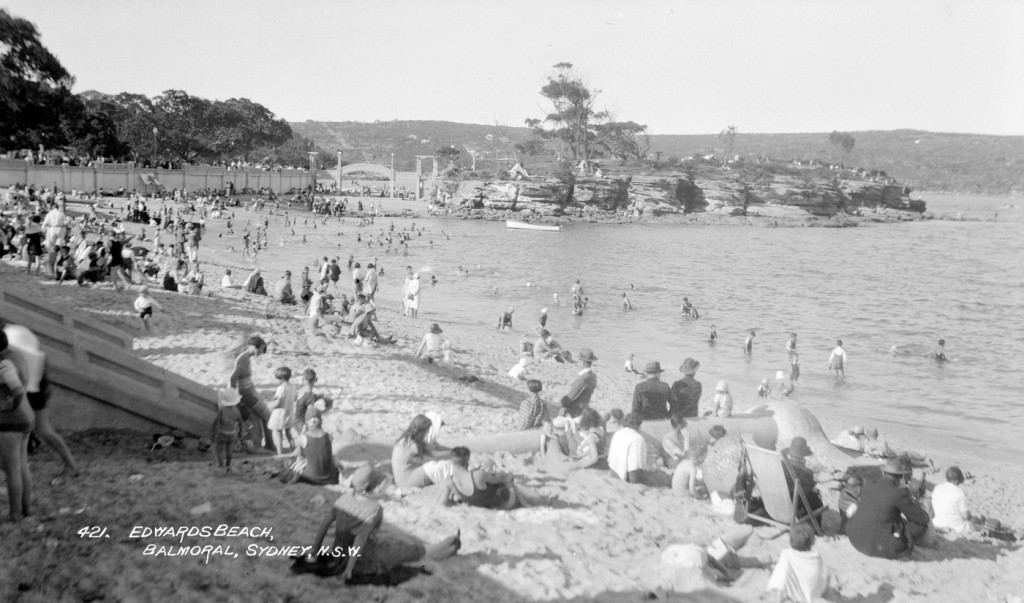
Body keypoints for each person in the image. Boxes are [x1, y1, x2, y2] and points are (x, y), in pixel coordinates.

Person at [303, 466, 460, 583]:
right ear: (373, 487)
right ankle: (449, 545)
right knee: (409, 551)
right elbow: (360, 541)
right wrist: (349, 570)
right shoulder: (373, 509)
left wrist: (314, 553)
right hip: (364, 560)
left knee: (404, 550)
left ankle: (448, 545)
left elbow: (323, 525)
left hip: (339, 553)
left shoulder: (342, 500)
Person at [2, 325, 77, 475]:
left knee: (41, 429)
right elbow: (41, 354)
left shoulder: (10, 338)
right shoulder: (18, 331)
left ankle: (70, 465)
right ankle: (70, 465)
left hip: (28, 388)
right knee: (42, 429)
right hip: (35, 384)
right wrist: (45, 382)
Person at [846, 457, 935, 558]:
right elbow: (922, 518)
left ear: (884, 473)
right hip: (879, 546)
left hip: (856, 538)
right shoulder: (900, 492)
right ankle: (900, 541)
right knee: (921, 525)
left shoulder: (868, 486)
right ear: (901, 476)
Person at [0, 328, 36, 521]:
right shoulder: (15, 354)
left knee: (12, 470)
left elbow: (17, 391)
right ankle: (26, 509)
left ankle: (15, 514)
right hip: (25, 418)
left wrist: (6, 407)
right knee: (22, 467)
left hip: (9, 423)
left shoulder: (4, 364)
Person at [438, 447, 523, 510]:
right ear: (467, 460)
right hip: (500, 505)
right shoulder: (478, 475)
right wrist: (506, 474)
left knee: (455, 497)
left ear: (452, 463)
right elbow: (502, 479)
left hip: (475, 505)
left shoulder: (449, 482)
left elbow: (443, 503)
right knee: (506, 481)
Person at [229, 335, 274, 452]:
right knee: (267, 415)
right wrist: (235, 397)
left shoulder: (245, 357)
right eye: (261, 349)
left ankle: (260, 445)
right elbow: (233, 378)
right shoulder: (244, 358)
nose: (262, 352)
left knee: (257, 417)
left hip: (248, 393)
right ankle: (270, 445)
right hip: (246, 394)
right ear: (254, 347)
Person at [765, 525, 832, 603]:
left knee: (783, 571)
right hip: (811, 592)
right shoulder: (816, 556)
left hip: (793, 591)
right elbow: (821, 574)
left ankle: (778, 600)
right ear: (812, 542)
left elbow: (782, 575)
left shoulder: (786, 554)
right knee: (826, 573)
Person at [390, 414, 450, 489]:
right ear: (421, 432)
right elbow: (435, 456)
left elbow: (434, 448)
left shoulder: (406, 439)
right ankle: (449, 485)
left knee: (434, 464)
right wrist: (454, 453)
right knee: (436, 466)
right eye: (426, 431)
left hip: (400, 479)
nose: (427, 433)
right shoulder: (413, 445)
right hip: (406, 481)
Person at [293, 414, 339, 485]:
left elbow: (300, 458)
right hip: (329, 477)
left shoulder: (303, 437)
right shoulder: (329, 436)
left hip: (311, 478)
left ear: (307, 423)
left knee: (296, 465)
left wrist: (303, 432)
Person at [781, 437, 824, 514]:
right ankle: (815, 524)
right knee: (815, 500)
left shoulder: (781, 464)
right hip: (792, 503)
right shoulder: (806, 472)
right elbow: (810, 488)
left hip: (779, 498)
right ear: (803, 458)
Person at [608, 413, 649, 484]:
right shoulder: (637, 438)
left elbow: (610, 458)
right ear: (639, 425)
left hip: (614, 473)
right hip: (629, 477)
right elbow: (636, 466)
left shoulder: (617, 433)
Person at [931, 466, 973, 534]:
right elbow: (966, 516)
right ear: (957, 480)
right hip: (954, 528)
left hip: (936, 524)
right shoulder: (959, 493)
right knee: (970, 523)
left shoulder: (937, 488)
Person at [559, 348, 597, 417]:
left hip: (575, 412)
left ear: (583, 362)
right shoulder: (593, 376)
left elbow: (568, 399)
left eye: (579, 360)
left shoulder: (582, 378)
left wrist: (560, 403)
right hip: (584, 406)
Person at [211, 390, 243, 472]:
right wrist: (240, 434)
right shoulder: (236, 410)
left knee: (219, 449)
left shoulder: (222, 410)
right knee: (229, 450)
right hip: (232, 433)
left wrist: (213, 432)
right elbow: (240, 422)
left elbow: (216, 422)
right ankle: (228, 464)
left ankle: (221, 464)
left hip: (222, 433)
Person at [267, 366, 297, 455]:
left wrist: (270, 405)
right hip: (289, 412)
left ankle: (280, 452)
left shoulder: (281, 388)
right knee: (289, 434)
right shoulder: (293, 386)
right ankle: (294, 450)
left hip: (279, 413)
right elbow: (295, 398)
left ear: (282, 378)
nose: (277, 381)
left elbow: (278, 402)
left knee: (277, 432)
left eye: (277, 379)